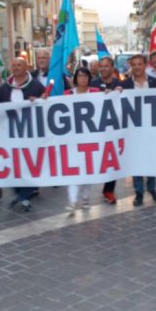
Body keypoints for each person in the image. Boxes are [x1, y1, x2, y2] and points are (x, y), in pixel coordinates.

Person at [0, 57, 46, 211]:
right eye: (13, 65)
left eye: (19, 65)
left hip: (29, 133)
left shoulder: (36, 85)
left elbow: (45, 102)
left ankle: (25, 197)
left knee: (27, 164)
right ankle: (19, 192)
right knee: (13, 164)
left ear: (26, 68)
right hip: (9, 133)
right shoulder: (5, 87)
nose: (16, 68)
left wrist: (37, 100)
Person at [120, 54, 156, 206]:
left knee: (151, 159)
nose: (137, 67)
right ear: (131, 66)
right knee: (137, 161)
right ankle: (139, 192)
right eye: (134, 64)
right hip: (133, 130)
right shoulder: (124, 85)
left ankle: (152, 187)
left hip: (151, 129)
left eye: (140, 64)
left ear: (146, 65)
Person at [65, 68, 100, 212]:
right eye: (80, 76)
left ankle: (86, 198)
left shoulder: (96, 92)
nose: (83, 79)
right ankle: (72, 201)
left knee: (88, 170)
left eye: (86, 76)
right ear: (75, 78)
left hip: (90, 138)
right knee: (73, 169)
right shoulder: (67, 94)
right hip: (73, 138)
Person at [89, 56, 122, 204]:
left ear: (112, 68)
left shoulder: (118, 84)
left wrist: (120, 92)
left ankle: (109, 190)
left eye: (106, 66)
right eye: (100, 66)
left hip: (113, 128)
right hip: (97, 128)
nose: (102, 69)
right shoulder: (93, 83)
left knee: (112, 158)